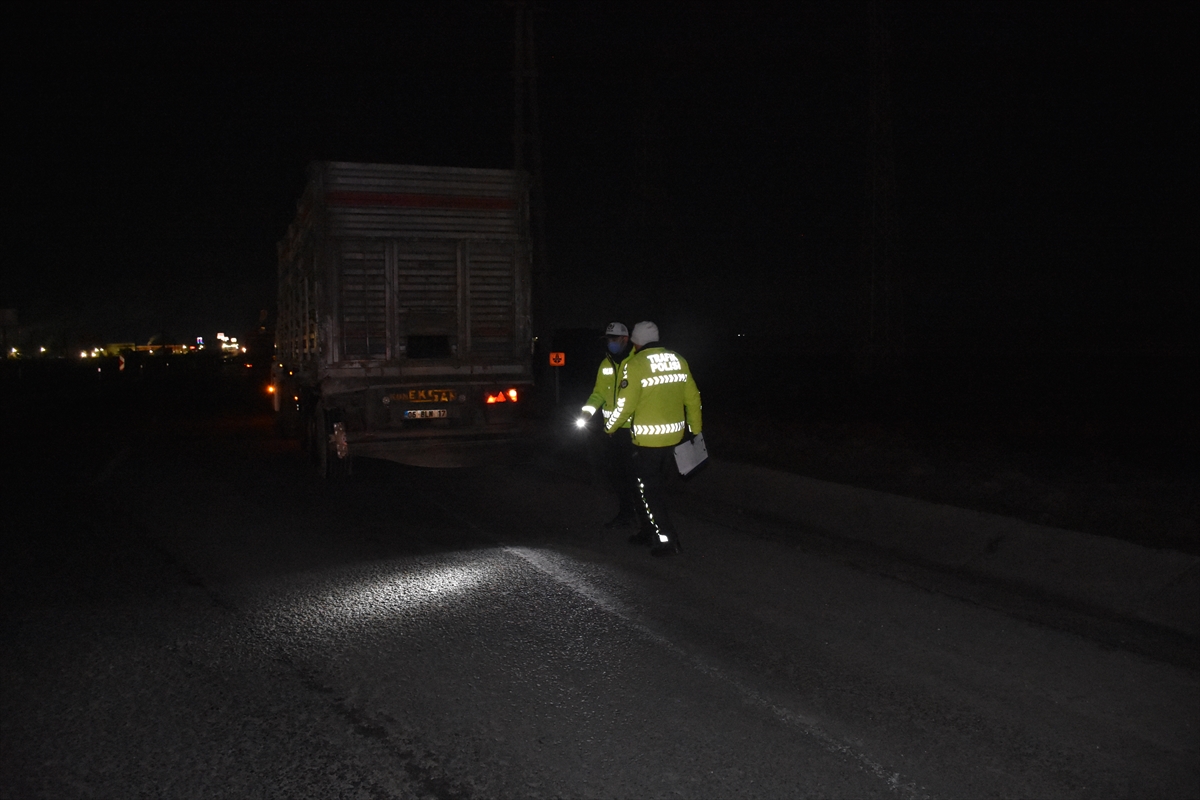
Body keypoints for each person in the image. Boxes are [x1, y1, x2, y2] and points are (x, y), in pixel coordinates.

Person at [604, 321, 702, 557]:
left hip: (648, 442)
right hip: (674, 439)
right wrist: (696, 431)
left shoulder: (636, 365)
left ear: (636, 342)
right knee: (653, 488)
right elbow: (693, 398)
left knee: (650, 492)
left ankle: (667, 539)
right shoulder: (678, 359)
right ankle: (649, 532)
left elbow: (625, 405)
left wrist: (610, 426)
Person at [577, 322, 642, 528]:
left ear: (625, 340)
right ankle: (626, 513)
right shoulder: (606, 364)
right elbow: (598, 394)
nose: (610, 344)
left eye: (614, 339)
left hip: (634, 431)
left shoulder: (638, 363)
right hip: (611, 431)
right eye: (608, 340)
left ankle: (643, 520)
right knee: (615, 473)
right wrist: (586, 412)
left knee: (635, 476)